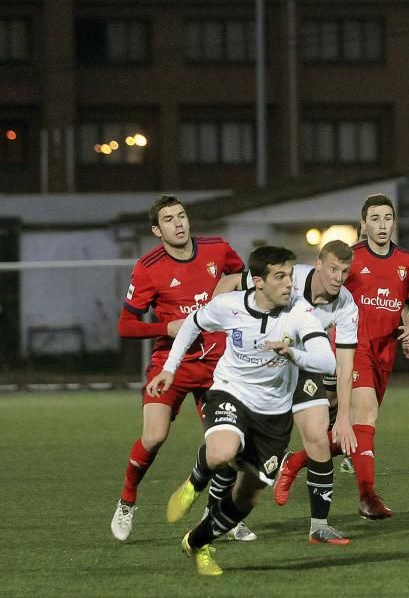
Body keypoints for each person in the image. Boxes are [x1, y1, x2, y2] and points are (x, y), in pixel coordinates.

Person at [149, 246, 336, 576]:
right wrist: (169, 368)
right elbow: (192, 324)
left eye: (291, 276)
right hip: (230, 391)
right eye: (280, 276)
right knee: (223, 451)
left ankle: (196, 542)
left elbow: (326, 359)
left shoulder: (300, 312)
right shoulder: (229, 306)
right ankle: (194, 483)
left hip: (274, 414)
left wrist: (294, 354)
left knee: (247, 497)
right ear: (259, 281)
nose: (289, 284)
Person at [111, 194, 253, 543]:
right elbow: (126, 326)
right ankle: (127, 501)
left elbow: (240, 273)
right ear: (157, 230)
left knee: (230, 445)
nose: (178, 224)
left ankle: (221, 514)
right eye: (169, 220)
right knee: (154, 436)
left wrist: (230, 289)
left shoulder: (217, 249)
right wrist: (166, 328)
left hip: (217, 365)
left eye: (182, 216)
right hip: (170, 364)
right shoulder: (149, 267)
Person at [274, 193, 409, 520]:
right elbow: (327, 293)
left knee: (357, 431)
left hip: (385, 349)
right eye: (375, 218)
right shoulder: (351, 259)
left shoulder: (408, 262)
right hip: (353, 347)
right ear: (363, 223)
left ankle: (294, 461)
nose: (382, 225)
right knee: (364, 417)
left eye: (387, 218)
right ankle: (367, 497)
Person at [216, 240, 359, 544]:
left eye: (345, 271)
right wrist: (221, 323)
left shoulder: (346, 305)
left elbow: (345, 364)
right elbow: (229, 281)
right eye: (333, 268)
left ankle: (319, 526)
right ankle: (221, 515)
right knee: (246, 449)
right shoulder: (289, 278)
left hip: (302, 367)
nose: (338, 277)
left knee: (319, 436)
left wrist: (343, 417)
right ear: (318, 265)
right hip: (264, 367)